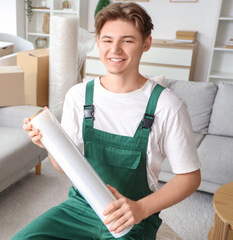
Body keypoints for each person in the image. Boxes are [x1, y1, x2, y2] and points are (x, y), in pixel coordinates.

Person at [14, 2, 201, 239]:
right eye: (107, 40)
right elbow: (65, 168)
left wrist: (141, 209)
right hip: (80, 209)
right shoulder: (79, 96)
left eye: (127, 40)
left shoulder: (168, 105)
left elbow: (190, 178)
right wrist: (50, 144)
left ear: (146, 43)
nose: (115, 49)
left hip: (134, 217)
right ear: (98, 42)